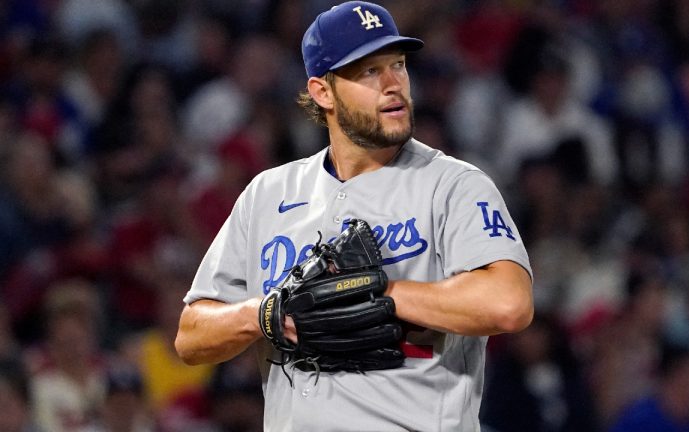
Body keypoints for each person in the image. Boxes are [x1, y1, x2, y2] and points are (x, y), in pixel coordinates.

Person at [174, 2, 534, 431]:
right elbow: (191, 335)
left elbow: (509, 303)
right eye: (368, 71)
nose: (393, 84)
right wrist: (265, 313)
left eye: (397, 65)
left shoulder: (453, 185)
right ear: (323, 91)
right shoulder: (267, 195)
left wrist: (382, 292)